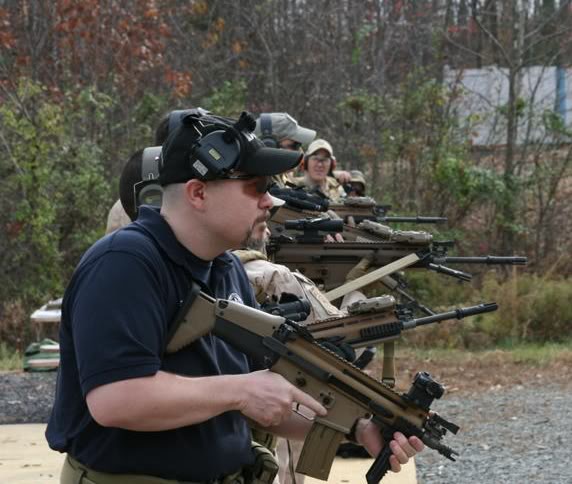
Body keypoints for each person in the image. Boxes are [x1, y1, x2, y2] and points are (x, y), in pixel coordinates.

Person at [46, 110, 422, 483]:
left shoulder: (225, 268)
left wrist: (357, 428)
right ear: (198, 193)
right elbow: (114, 400)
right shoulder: (124, 263)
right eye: (256, 187)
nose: (270, 201)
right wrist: (241, 390)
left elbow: (263, 401)